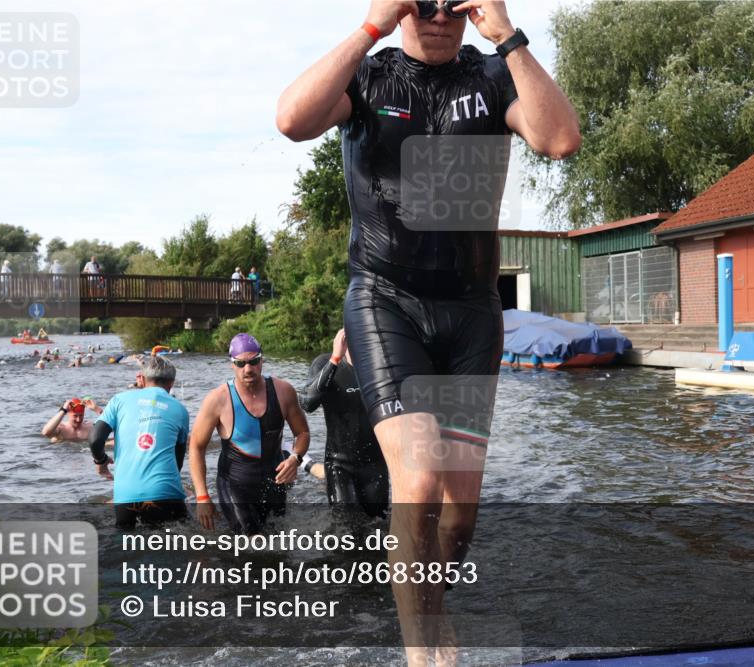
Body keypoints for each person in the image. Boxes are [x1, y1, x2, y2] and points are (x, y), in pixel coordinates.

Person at [278, 1, 581, 661]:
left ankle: (426, 606)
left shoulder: (493, 75)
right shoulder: (369, 76)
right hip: (386, 301)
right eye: (423, 2)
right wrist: (370, 27)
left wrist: (507, 36)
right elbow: (292, 120)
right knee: (416, 483)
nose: (440, 14)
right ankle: (426, 652)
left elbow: (559, 140)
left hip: (471, 312)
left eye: (455, 3)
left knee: (460, 513)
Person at [190, 333, 310, 534]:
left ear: (262, 360)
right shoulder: (218, 399)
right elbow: (196, 446)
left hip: (275, 482)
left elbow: (303, 432)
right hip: (235, 485)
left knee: (279, 543)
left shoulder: (283, 391)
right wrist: (202, 497)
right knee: (250, 544)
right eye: (240, 363)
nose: (248, 369)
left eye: (254, 361)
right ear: (232, 365)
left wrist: (295, 459)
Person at [89, 356, 189, 529]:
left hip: (125, 497)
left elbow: (95, 439)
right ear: (172, 383)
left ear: (142, 379)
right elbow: (178, 461)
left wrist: (101, 461)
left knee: (126, 548)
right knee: (178, 546)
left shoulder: (118, 401)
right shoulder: (180, 410)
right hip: (165, 493)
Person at [299, 328, 388, 518]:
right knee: (346, 525)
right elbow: (307, 402)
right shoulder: (325, 363)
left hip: (375, 464)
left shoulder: (381, 366)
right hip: (340, 464)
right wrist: (335, 359)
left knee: (378, 526)